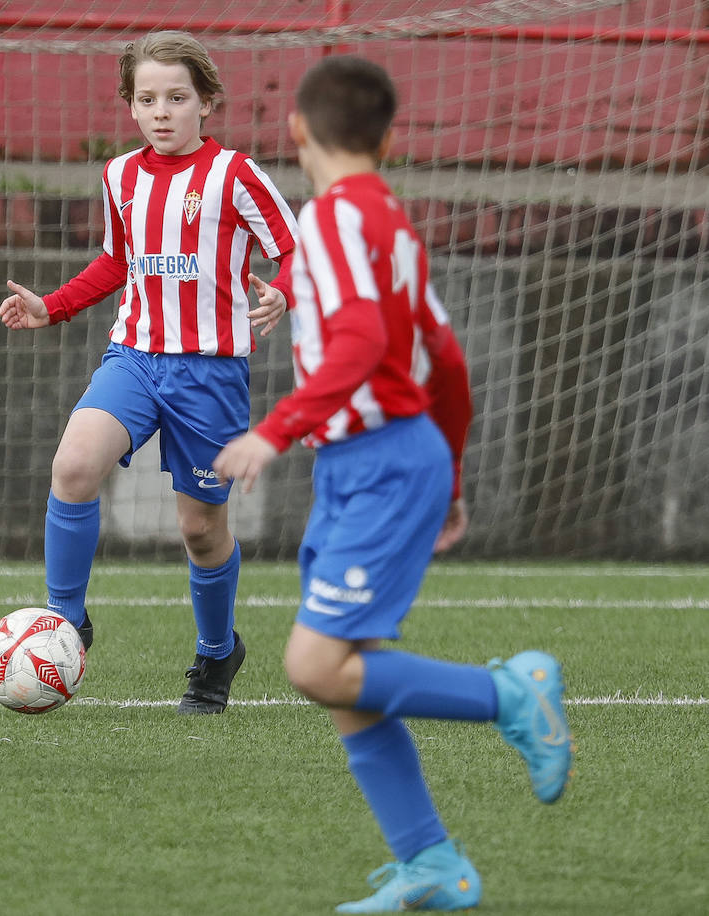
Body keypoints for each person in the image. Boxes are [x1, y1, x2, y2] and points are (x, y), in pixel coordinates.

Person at [212, 56, 572, 911]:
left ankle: (512, 696)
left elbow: (364, 341)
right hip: (382, 460)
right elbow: (444, 360)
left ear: (296, 130)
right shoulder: (390, 224)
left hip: (374, 462)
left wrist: (273, 428)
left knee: (314, 664)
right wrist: (447, 473)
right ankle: (432, 865)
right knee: (351, 673)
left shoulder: (333, 220)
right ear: (389, 136)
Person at [0, 31, 299, 714]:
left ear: (207, 102)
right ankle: (64, 624)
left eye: (176, 98)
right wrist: (53, 306)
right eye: (146, 99)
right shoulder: (120, 176)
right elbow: (115, 263)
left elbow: (294, 249)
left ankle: (218, 654)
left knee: (200, 530)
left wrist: (288, 290)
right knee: (73, 466)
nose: (161, 111)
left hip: (210, 374)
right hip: (133, 357)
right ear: (130, 107)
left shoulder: (236, 175)